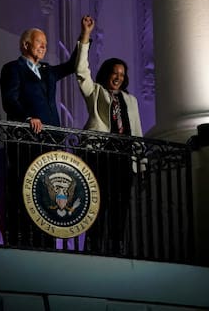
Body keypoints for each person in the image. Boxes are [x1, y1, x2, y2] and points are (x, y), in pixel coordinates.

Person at [0, 19, 88, 246]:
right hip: (26, 140)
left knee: (47, 191)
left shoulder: (47, 71)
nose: (44, 47)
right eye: (40, 43)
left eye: (46, 44)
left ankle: (46, 241)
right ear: (26, 45)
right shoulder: (12, 68)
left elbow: (71, 65)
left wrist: (84, 35)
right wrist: (27, 118)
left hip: (51, 140)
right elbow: (9, 99)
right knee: (25, 188)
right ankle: (22, 239)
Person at [75, 14, 142, 254]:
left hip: (124, 159)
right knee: (98, 204)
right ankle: (92, 249)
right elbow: (82, 71)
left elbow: (137, 131)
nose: (118, 77)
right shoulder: (96, 92)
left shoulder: (130, 100)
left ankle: (115, 249)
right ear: (107, 73)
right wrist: (86, 36)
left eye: (122, 75)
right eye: (115, 73)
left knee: (120, 206)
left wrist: (140, 166)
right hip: (100, 156)